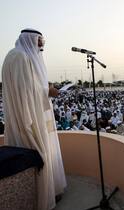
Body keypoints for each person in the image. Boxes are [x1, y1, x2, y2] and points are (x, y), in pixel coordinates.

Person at [1, 29, 66, 210]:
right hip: (29, 119)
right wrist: (48, 92)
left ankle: (36, 194)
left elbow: (29, 86)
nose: (41, 47)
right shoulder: (21, 58)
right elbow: (26, 94)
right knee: (38, 154)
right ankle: (42, 198)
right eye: (39, 42)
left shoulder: (11, 56)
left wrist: (44, 87)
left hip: (21, 117)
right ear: (30, 40)